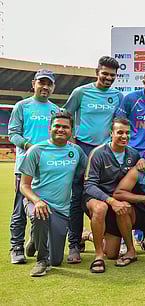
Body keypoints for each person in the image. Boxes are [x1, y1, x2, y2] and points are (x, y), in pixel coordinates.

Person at [63, 56, 123, 264]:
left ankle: (102, 235)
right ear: (97, 72)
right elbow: (65, 116)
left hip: (105, 151)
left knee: (104, 195)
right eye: (105, 73)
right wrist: (71, 143)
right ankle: (74, 244)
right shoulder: (81, 92)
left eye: (112, 75)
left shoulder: (117, 95)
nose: (108, 78)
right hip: (82, 149)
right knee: (77, 197)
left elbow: (119, 122)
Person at [19, 111, 87, 276]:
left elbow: (89, 170)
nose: (61, 129)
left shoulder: (76, 151)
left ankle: (35, 240)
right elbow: (24, 185)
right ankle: (42, 260)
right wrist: (37, 201)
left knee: (56, 260)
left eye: (65, 127)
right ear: (50, 128)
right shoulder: (36, 150)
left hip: (62, 209)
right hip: (37, 202)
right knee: (39, 214)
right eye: (57, 126)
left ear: (71, 131)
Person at [8, 69, 59, 264]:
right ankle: (16, 247)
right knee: (20, 209)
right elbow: (13, 134)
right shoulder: (22, 106)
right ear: (33, 83)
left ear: (53, 87)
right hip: (25, 167)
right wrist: (30, 147)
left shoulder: (55, 110)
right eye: (41, 83)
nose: (45, 87)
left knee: (42, 207)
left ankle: (34, 239)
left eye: (49, 84)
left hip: (48, 169)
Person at [83, 117, 140, 273]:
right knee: (100, 208)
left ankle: (129, 250)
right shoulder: (98, 153)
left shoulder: (134, 155)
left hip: (118, 203)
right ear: (111, 133)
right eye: (120, 132)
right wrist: (111, 200)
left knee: (113, 253)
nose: (124, 136)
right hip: (97, 198)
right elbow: (89, 185)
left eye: (127, 133)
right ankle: (98, 256)